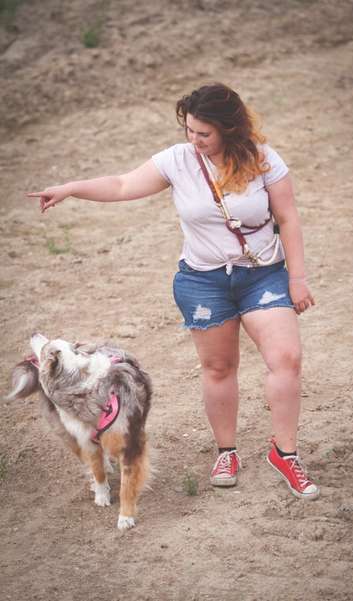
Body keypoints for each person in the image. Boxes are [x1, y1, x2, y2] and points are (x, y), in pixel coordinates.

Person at [28, 82, 319, 500]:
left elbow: (288, 218)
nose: (194, 140)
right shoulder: (178, 161)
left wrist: (297, 278)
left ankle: (285, 454)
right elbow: (123, 185)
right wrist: (72, 188)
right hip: (203, 281)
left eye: (204, 133)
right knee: (219, 368)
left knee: (286, 359)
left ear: (229, 129)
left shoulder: (263, 159)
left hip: (263, 275)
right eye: (189, 130)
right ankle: (226, 451)